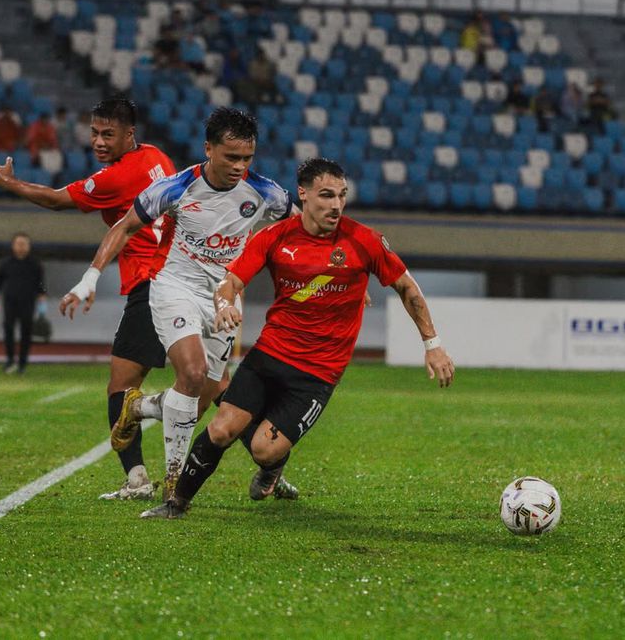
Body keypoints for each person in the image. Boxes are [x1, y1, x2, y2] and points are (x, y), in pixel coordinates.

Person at [141, 157, 455, 520]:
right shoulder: (274, 237)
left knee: (264, 450)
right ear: (303, 194)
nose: (336, 205)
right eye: (326, 195)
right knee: (222, 428)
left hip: (317, 374)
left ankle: (273, 465)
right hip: (269, 356)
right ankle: (176, 504)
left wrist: (432, 345)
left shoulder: (364, 241)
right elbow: (231, 281)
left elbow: (407, 288)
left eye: (342, 195)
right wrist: (224, 303)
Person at [60, 108, 298, 502]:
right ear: (208, 149)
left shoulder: (265, 192)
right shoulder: (175, 187)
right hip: (174, 286)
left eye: (247, 158)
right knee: (192, 372)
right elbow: (125, 226)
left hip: (224, 298)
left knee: (200, 399)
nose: (239, 167)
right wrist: (90, 277)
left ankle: (138, 408)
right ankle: (173, 490)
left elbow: (306, 226)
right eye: (231, 157)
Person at [0, 98, 177, 501]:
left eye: (108, 134)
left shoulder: (118, 177)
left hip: (152, 284)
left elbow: (56, 199)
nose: (98, 141)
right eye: (94, 133)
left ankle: (139, 476)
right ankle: (270, 458)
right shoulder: (157, 157)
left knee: (122, 388)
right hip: (177, 277)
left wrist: (10, 184)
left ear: (129, 134)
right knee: (213, 381)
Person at [0, 233, 46, 374]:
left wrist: (42, 295)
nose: (21, 247)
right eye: (18, 244)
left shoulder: (35, 264)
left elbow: (41, 283)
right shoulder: (5, 263)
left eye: (24, 244)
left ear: (29, 246)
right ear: (13, 246)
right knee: (8, 330)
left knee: (26, 332)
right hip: (9, 302)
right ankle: (10, 360)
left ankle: (22, 363)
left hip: (28, 302)